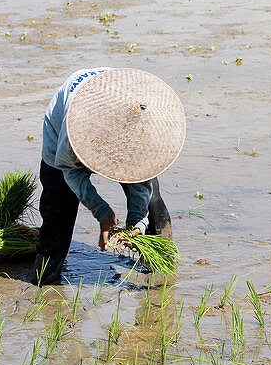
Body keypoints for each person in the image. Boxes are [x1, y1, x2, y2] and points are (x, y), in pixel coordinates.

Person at [34, 67, 186, 285]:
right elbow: (71, 171)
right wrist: (102, 212)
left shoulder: (144, 125)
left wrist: (137, 222)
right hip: (65, 126)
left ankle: (161, 267)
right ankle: (45, 279)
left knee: (152, 201)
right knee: (59, 208)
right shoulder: (74, 129)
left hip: (125, 110)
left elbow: (141, 183)